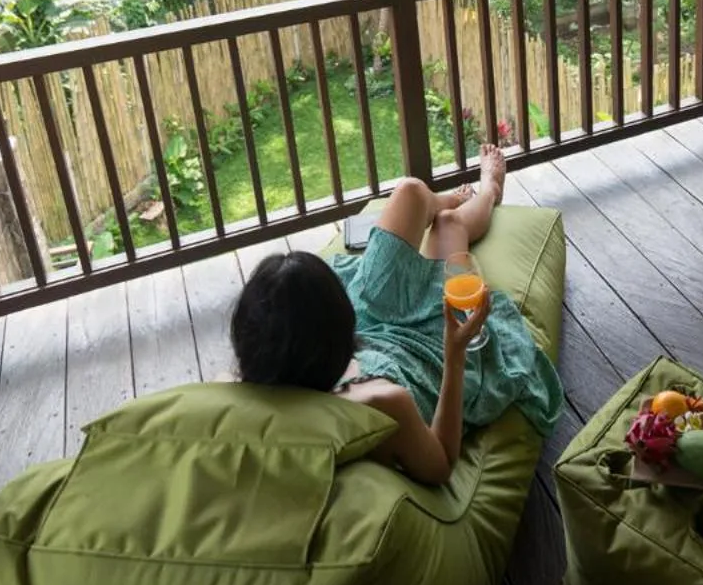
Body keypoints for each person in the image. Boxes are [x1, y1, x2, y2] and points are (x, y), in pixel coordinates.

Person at [230, 144, 563, 485]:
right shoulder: (380, 401)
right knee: (449, 227)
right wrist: (454, 353)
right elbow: (439, 465)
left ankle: (448, 199)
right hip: (430, 343)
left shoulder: (240, 390)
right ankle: (489, 190)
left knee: (410, 192)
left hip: (369, 318)